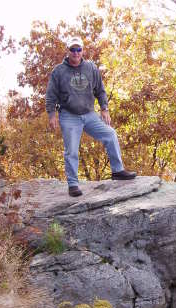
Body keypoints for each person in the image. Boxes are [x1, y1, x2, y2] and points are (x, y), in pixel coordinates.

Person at [46, 36, 136, 197]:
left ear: (82, 51)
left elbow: (100, 90)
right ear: (68, 51)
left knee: (110, 134)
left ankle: (117, 171)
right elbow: (51, 95)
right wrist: (51, 114)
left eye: (78, 49)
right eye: (72, 49)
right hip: (69, 116)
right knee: (71, 150)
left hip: (89, 114)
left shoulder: (91, 68)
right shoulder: (58, 71)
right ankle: (73, 184)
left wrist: (104, 108)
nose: (76, 52)